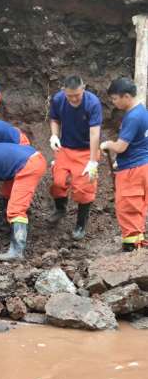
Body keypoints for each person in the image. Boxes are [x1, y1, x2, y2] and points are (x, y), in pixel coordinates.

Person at [48, 75, 103, 240]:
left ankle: (81, 224)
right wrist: (54, 135)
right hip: (65, 148)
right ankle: (60, 209)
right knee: (58, 181)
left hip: (86, 150)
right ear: (64, 91)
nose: (73, 99)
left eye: (77, 95)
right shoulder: (58, 99)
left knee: (84, 187)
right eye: (69, 95)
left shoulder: (92, 103)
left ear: (83, 88)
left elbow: (95, 133)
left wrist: (93, 161)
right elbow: (55, 119)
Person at [100, 77, 148, 251]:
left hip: (132, 171)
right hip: (143, 165)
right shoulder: (142, 111)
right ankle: (138, 243)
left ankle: (131, 250)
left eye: (114, 98)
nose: (114, 103)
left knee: (128, 207)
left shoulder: (133, 117)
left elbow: (120, 146)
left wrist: (107, 145)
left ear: (126, 96)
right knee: (138, 206)